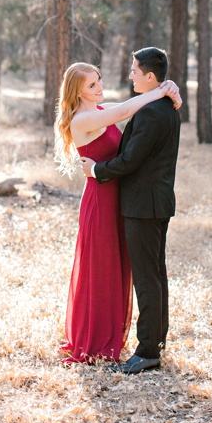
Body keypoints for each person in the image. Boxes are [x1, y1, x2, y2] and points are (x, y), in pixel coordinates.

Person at [53, 61, 181, 365]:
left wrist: (169, 88)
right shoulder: (81, 120)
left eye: (99, 81)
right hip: (100, 198)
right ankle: (94, 339)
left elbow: (126, 105)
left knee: (117, 269)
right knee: (100, 269)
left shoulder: (98, 109)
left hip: (118, 197)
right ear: (77, 92)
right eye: (92, 86)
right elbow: (125, 112)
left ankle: (115, 334)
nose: (100, 88)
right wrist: (161, 89)